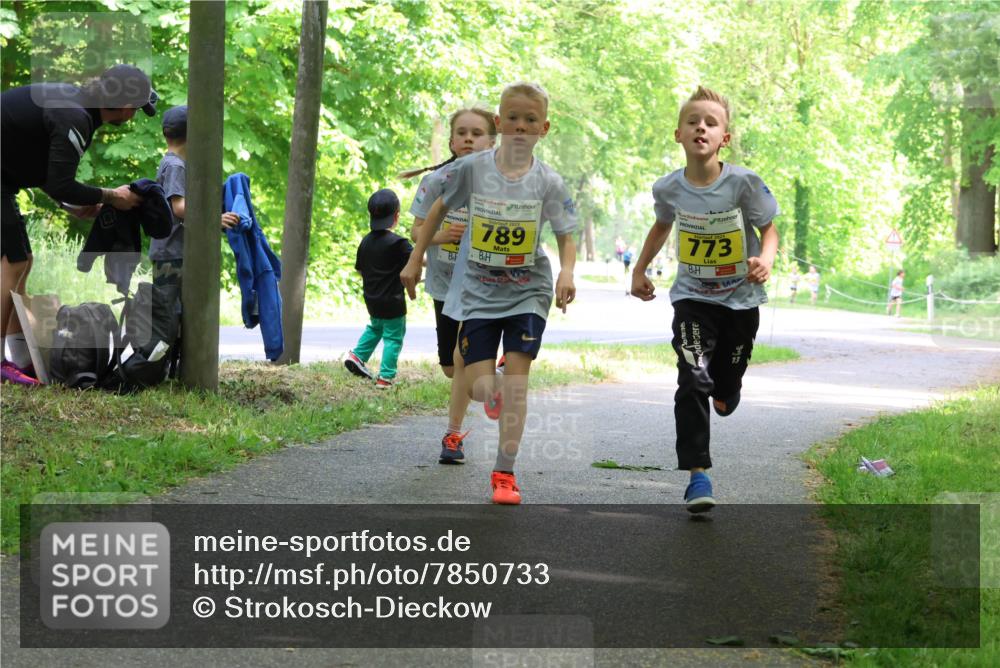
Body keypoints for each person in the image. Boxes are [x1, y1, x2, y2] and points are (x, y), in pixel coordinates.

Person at [400, 81, 577, 505]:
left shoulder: (548, 182)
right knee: (481, 387)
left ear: (544, 128)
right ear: (500, 122)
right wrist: (414, 259)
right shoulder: (473, 169)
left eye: (530, 120)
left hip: (526, 291)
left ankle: (504, 473)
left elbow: (566, 234)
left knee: (517, 381)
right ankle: (494, 392)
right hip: (478, 292)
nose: (520, 126)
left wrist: (566, 273)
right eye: (512, 118)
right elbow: (438, 208)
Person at [630, 85, 779, 513]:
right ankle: (698, 474)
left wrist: (764, 260)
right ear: (678, 134)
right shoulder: (669, 189)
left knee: (725, 378)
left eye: (711, 123)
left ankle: (730, 386)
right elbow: (661, 227)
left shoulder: (744, 184)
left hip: (740, 298)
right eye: (693, 121)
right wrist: (640, 269)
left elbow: (768, 228)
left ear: (724, 138)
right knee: (693, 375)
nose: (701, 127)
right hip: (693, 298)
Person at [1, 64, 156, 385]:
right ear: (127, 109)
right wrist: (113, 196)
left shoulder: (75, 103)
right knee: (12, 264)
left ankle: (21, 358)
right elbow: (60, 182)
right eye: (139, 109)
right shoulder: (75, 116)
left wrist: (69, 204)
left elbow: (41, 166)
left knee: (22, 263)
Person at [403, 107, 497, 464]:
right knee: (449, 366)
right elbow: (416, 232)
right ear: (452, 141)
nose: (469, 138)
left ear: (492, 140)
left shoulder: (502, 180)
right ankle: (490, 378)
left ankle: (453, 434)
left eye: (477, 133)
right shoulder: (436, 180)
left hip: (484, 285)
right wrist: (442, 236)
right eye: (462, 133)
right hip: (444, 283)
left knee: (463, 357)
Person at [148, 105, 239, 290]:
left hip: (171, 252)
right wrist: (213, 219)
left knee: (175, 310)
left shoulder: (171, 162)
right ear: (194, 134)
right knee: (169, 313)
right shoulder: (176, 166)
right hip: (171, 254)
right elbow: (179, 207)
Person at [344, 189, 413, 389]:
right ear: (397, 216)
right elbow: (418, 261)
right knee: (393, 337)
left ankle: (357, 356)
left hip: (372, 299)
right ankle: (386, 377)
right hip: (393, 301)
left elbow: (360, 270)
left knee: (375, 328)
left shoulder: (365, 241)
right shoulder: (399, 243)